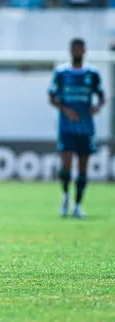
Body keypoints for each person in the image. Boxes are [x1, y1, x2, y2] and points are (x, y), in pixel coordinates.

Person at [48, 38, 105, 218]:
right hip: (66, 128)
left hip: (86, 128)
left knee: (83, 167)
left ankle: (78, 205)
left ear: (85, 51)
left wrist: (97, 107)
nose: (78, 51)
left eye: (80, 48)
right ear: (71, 50)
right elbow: (52, 97)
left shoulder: (92, 74)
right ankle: (65, 196)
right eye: (75, 48)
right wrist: (66, 110)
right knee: (66, 162)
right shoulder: (62, 73)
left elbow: (102, 96)